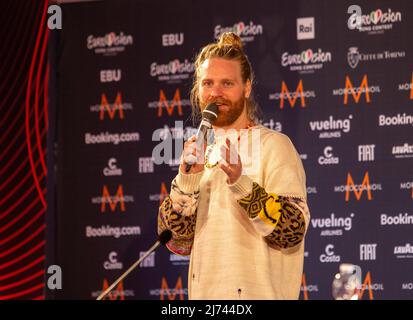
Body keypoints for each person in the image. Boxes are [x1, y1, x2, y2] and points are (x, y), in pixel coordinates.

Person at [157, 32, 310, 299]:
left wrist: (242, 184)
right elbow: (176, 240)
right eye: (208, 83)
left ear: (247, 87)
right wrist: (187, 180)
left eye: (227, 83)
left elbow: (293, 229)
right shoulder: (201, 155)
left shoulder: (274, 145)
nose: (215, 93)